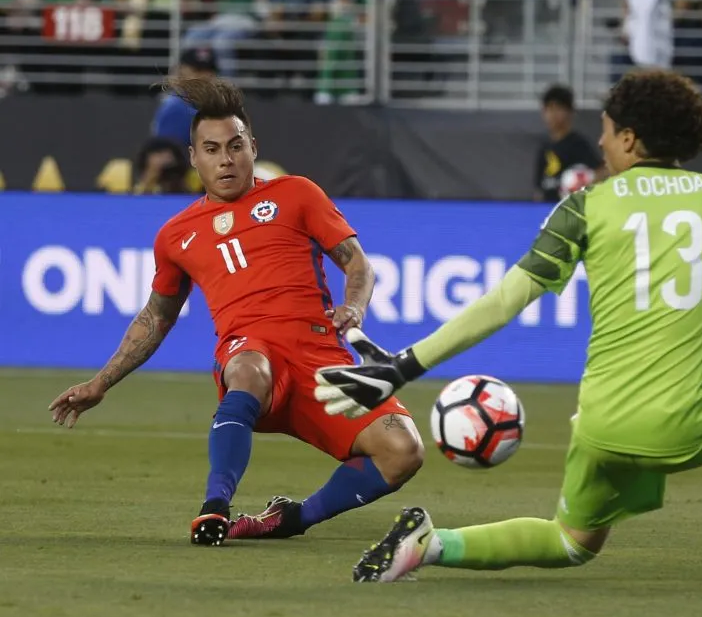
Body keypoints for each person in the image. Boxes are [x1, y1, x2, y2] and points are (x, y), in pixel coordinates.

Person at [314, 69, 702, 585]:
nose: (599, 143)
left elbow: (504, 301)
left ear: (629, 137)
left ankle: (432, 544)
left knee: (573, 542)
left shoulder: (585, 205)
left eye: (606, 131)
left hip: (598, 426)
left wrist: (401, 368)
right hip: (685, 424)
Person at [49, 78, 424, 546]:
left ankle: (291, 518)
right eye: (211, 149)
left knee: (403, 452)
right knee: (248, 367)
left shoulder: (297, 194)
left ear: (252, 147)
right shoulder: (175, 236)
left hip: (321, 361)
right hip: (250, 352)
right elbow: (155, 317)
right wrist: (100, 382)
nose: (225, 159)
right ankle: (215, 507)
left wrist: (354, 306)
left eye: (235, 146)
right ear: (193, 157)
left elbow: (358, 263)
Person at [534, 85, 604, 203]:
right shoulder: (544, 147)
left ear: (570, 112)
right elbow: (538, 188)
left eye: (558, 109)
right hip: (548, 211)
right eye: (549, 109)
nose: (553, 115)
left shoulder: (578, 144)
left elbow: (601, 171)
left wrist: (586, 182)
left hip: (570, 211)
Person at [152, 48, 219, 150]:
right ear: (182, 71)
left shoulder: (216, 105)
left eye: (209, 71)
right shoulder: (176, 109)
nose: (204, 77)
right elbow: (167, 157)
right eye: (198, 71)